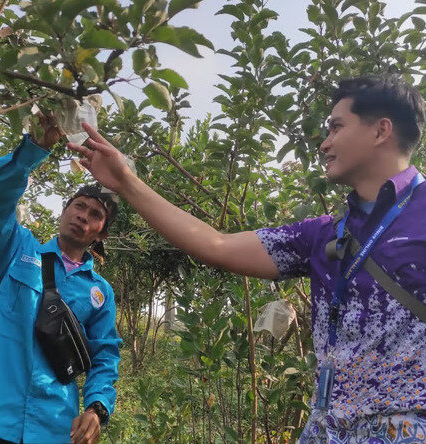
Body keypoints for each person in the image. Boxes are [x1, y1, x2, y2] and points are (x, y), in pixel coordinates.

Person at [68, 75, 425, 442]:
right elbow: (217, 245)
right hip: (328, 428)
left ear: (381, 131)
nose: (325, 143)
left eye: (336, 127)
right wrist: (125, 182)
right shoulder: (325, 234)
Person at [0, 115, 121, 444]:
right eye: (79, 206)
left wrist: (97, 407)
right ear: (65, 211)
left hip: (52, 427)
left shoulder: (100, 293)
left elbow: (105, 354)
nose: (83, 215)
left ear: (101, 234)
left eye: (95, 215)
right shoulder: (16, 250)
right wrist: (34, 148)